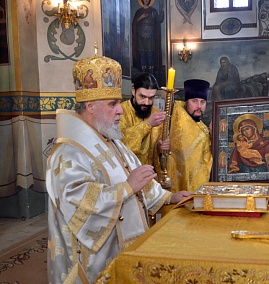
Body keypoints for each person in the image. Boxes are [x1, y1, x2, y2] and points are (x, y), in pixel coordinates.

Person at [46, 55, 190, 283]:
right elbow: (77, 202)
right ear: (90, 106)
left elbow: (138, 177)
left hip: (121, 249)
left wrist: (171, 197)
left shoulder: (112, 141)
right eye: (112, 105)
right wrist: (126, 188)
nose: (120, 111)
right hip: (92, 259)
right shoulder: (68, 152)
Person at [167, 79, 213, 193]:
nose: (199, 106)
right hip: (181, 188)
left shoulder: (200, 124)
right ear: (186, 102)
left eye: (202, 102)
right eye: (194, 101)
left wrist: (214, 133)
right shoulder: (178, 122)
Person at [120, 72, 168, 167]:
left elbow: (158, 149)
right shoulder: (120, 112)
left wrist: (161, 146)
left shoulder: (156, 114)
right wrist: (147, 124)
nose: (146, 103)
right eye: (142, 96)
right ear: (133, 91)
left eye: (151, 98)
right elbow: (121, 145)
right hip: (129, 172)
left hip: (150, 172)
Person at [132, 0, 164, 74]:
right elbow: (134, 23)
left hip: (150, 35)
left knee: (150, 53)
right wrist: (141, 17)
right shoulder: (139, 12)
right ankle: (143, 71)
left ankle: (151, 71)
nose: (146, 0)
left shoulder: (153, 11)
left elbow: (159, 20)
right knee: (142, 53)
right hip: (141, 36)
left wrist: (162, 10)